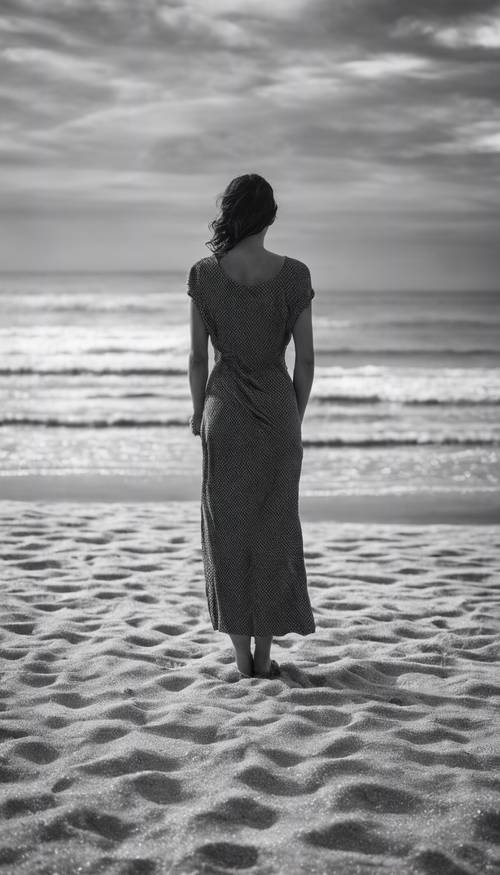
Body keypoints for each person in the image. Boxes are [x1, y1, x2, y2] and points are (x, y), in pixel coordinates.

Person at [186, 173, 316, 680]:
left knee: (228, 535)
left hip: (226, 414)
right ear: (270, 217)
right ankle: (265, 656)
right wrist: (293, 417)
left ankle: (242, 661)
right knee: (274, 535)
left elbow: (199, 358)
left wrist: (199, 410)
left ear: (231, 213)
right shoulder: (294, 275)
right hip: (276, 415)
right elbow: (305, 362)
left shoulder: (204, 274)